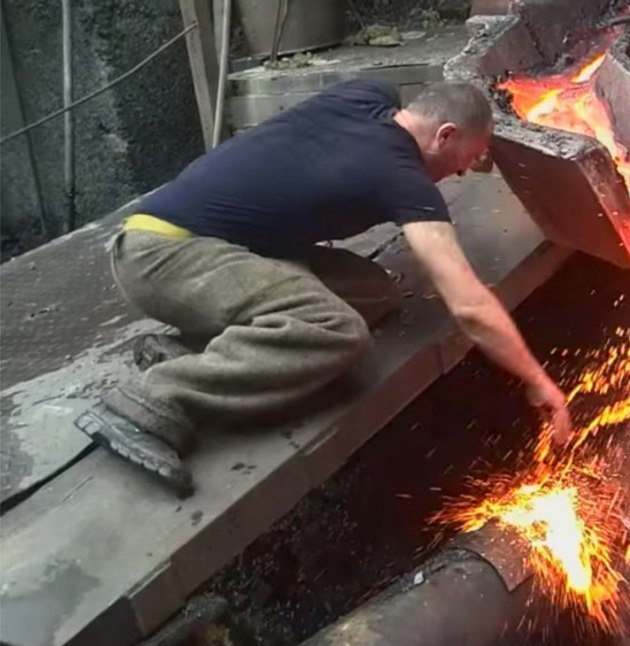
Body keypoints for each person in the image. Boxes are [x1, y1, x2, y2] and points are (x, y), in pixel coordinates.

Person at [75, 79, 572, 497]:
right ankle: (152, 403)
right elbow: (467, 304)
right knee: (334, 329)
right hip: (164, 253)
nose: (461, 173)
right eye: (466, 159)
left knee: (374, 292)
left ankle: (193, 351)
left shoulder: (366, 96)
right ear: (444, 134)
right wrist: (536, 379)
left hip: (232, 243)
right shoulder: (401, 177)